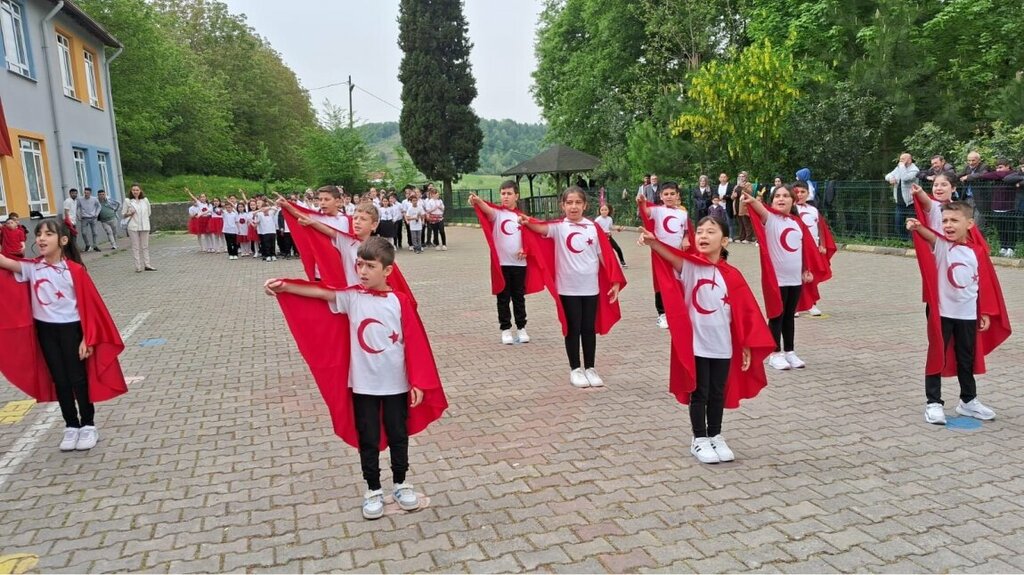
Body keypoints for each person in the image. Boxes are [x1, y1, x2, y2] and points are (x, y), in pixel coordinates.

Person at [264, 237, 447, 519]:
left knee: (399, 435)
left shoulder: (399, 301)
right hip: (364, 385)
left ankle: (400, 483)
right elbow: (320, 293)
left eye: (370, 266)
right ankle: (373, 489)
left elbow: (415, 341)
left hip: (396, 384)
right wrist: (285, 286)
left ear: (387, 271)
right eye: (359, 264)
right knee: (368, 437)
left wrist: (419, 381)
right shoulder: (352, 297)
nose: (362, 271)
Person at [638, 217, 774, 464]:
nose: (702, 235)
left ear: (723, 241)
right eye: (699, 231)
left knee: (718, 392)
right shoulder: (689, 267)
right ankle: (699, 438)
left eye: (711, 232)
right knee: (699, 392)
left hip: (723, 344)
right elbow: (667, 255)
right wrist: (652, 242)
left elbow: (745, 312)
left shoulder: (732, 275)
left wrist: (744, 343)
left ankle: (715, 434)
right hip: (697, 344)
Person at [0, 218, 127, 451]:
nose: (41, 238)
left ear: (63, 240)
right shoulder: (32, 267)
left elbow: (90, 307)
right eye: (39, 234)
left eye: (48, 234)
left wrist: (87, 338)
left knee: (78, 379)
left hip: (72, 330)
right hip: (46, 332)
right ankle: (71, 426)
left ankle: (88, 425)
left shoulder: (75, 271)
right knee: (60, 379)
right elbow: (5, 262)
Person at [905, 202, 1010, 425]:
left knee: (966, 359)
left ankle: (968, 401)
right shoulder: (942, 245)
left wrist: (986, 313)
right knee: (937, 355)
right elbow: (928, 235)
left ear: (969, 224)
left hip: (968, 315)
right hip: (943, 314)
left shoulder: (977, 252)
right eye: (944, 221)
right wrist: (917, 226)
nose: (948, 225)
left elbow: (984, 285)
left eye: (954, 220)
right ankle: (933, 403)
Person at [518, 186, 626, 388]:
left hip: (590, 288)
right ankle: (575, 369)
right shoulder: (559, 227)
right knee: (572, 328)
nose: (573, 207)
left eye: (577, 202)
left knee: (588, 328)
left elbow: (605, 257)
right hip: (568, 289)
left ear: (585, 205)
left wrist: (615, 280)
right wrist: (526, 221)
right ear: (563, 206)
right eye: (569, 203)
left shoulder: (593, 228)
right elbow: (539, 227)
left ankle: (591, 368)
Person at [743, 185, 827, 371]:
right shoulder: (770, 219)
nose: (781, 199)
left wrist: (806, 269)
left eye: (786, 196)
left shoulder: (796, 222)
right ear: (771, 201)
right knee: (776, 315)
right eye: (777, 196)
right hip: (776, 280)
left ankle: (790, 351)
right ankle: (774, 353)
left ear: (793, 200)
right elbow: (758, 207)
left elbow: (803, 247)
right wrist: (750, 196)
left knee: (789, 316)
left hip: (794, 279)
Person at [469, 181, 544, 345]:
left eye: (509, 193)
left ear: (516, 196)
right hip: (502, 264)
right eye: (503, 193)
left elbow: (532, 238)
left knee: (518, 297)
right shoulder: (497, 214)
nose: (506, 197)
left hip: (520, 264)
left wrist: (526, 250)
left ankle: (521, 328)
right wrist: (477, 200)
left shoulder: (521, 217)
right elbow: (485, 208)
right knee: (503, 297)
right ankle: (505, 329)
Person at [638, 182, 690, 329]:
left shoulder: (683, 213)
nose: (669, 197)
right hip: (660, 252)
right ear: (660, 196)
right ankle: (662, 314)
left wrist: (686, 239)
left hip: (677, 253)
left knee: (677, 280)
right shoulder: (657, 210)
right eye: (666, 194)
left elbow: (686, 231)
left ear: (678, 196)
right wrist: (642, 203)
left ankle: (678, 309)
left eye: (672, 194)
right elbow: (646, 212)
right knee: (661, 281)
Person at [794, 181, 836, 317]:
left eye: (802, 192)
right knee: (795, 278)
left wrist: (822, 244)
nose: (799, 195)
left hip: (812, 250)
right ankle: (794, 306)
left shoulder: (813, 210)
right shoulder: (790, 209)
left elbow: (821, 229)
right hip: (795, 249)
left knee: (810, 277)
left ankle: (811, 304)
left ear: (808, 193)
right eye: (796, 192)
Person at [886, 153, 920, 240]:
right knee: (898, 223)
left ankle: (913, 241)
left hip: (911, 203)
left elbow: (905, 178)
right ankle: (904, 241)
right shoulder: (898, 168)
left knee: (912, 224)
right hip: (899, 203)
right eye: (900, 159)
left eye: (903, 159)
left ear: (909, 160)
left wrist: (901, 166)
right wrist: (890, 178)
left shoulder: (914, 170)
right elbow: (887, 175)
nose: (900, 161)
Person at [122, 183, 155, 272]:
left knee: (145, 246)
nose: (135, 192)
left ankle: (147, 265)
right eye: (133, 190)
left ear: (140, 191)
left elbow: (149, 212)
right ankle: (138, 266)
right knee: (136, 246)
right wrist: (130, 213)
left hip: (144, 225)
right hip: (133, 226)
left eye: (137, 190)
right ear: (131, 191)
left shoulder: (145, 200)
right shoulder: (128, 201)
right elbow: (123, 214)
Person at [595, 203, 626, 269]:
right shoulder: (597, 220)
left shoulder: (609, 219)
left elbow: (610, 227)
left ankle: (622, 262)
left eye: (605, 210)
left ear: (609, 210)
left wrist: (618, 228)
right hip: (601, 238)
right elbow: (595, 230)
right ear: (599, 211)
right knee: (604, 252)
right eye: (602, 210)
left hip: (609, 237)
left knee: (617, 248)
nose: (604, 211)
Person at [77, 187, 102, 252]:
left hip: (93, 218)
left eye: (87, 193)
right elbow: (77, 207)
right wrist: (78, 215)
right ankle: (87, 245)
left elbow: (99, 206)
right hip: (84, 218)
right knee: (83, 233)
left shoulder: (94, 199)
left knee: (95, 233)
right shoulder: (80, 199)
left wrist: (97, 214)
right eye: (85, 192)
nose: (86, 194)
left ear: (90, 193)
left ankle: (95, 246)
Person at [732, 172, 755, 243]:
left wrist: (743, 187)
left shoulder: (748, 184)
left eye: (743, 176)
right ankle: (742, 237)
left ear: (746, 177)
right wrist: (734, 196)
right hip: (736, 206)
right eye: (740, 176)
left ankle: (748, 238)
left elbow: (749, 192)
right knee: (740, 223)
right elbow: (732, 197)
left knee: (746, 223)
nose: (741, 178)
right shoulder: (736, 186)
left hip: (744, 206)